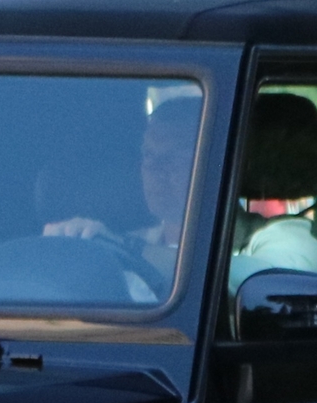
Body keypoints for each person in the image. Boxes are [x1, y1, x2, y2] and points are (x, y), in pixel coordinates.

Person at [44, 90, 202, 281]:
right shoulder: (129, 243)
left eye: (173, 159)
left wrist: (123, 247)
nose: (153, 169)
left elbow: (208, 273)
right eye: (148, 155)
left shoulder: (241, 244)